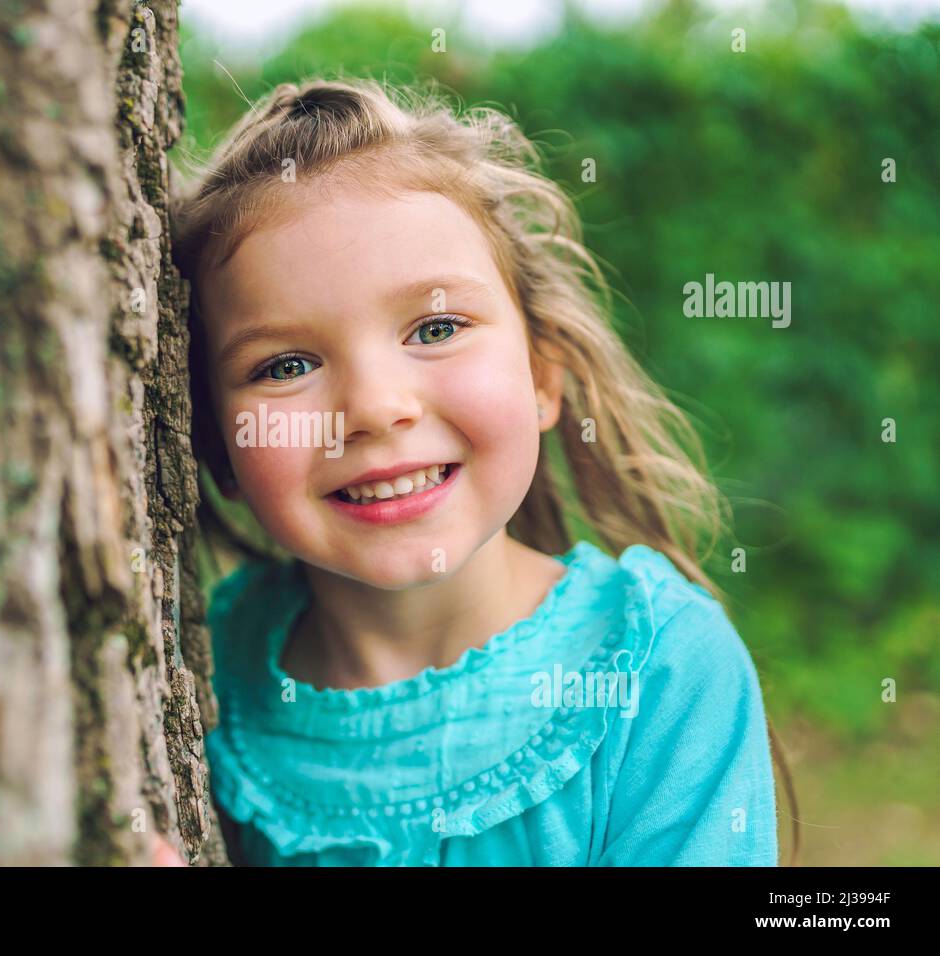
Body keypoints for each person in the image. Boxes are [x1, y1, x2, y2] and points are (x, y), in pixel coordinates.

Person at [170, 79, 790, 866]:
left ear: (541, 374)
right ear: (217, 444)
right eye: (286, 363)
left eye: (435, 327)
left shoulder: (658, 671)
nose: (375, 406)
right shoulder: (212, 674)